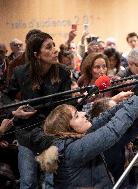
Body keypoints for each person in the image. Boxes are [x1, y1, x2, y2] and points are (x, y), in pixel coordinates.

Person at [36, 79, 138, 188]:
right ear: (66, 128)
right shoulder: (72, 150)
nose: (84, 114)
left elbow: (106, 116)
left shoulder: (76, 137)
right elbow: (111, 130)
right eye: (77, 116)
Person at [4, 31, 72, 189]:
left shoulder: (63, 72)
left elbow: (67, 103)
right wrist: (15, 111)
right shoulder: (20, 72)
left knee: (51, 183)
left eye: (54, 45)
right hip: (27, 133)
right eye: (49, 47)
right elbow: (5, 97)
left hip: (52, 132)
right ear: (36, 54)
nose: (55, 50)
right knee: (28, 182)